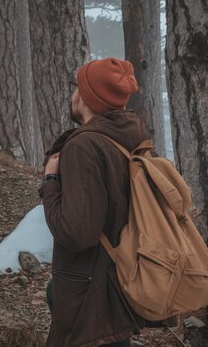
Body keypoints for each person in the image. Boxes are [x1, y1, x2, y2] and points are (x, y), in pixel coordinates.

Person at [39, 57, 150, 347]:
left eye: (77, 87)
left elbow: (77, 233)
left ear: (88, 98)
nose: (72, 94)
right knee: (55, 293)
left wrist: (51, 182)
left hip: (91, 287)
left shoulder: (85, 146)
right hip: (120, 276)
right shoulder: (131, 137)